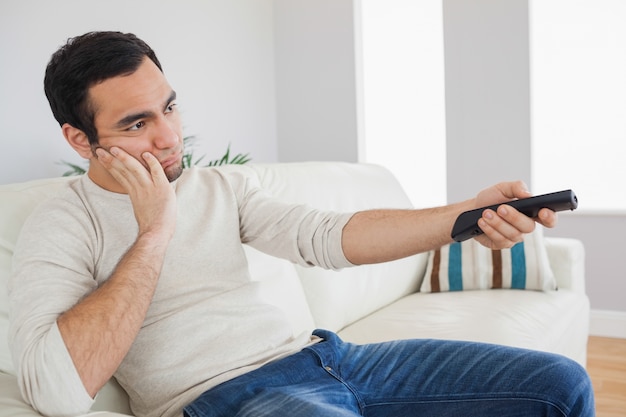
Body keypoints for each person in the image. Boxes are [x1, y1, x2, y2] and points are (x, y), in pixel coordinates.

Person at [8, 31, 594, 417]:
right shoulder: (62, 223)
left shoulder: (220, 186)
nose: (168, 136)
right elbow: (54, 391)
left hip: (330, 359)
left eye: (169, 107)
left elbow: (331, 237)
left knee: (560, 388)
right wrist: (155, 230)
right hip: (224, 399)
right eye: (136, 124)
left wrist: (467, 213)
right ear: (80, 139)